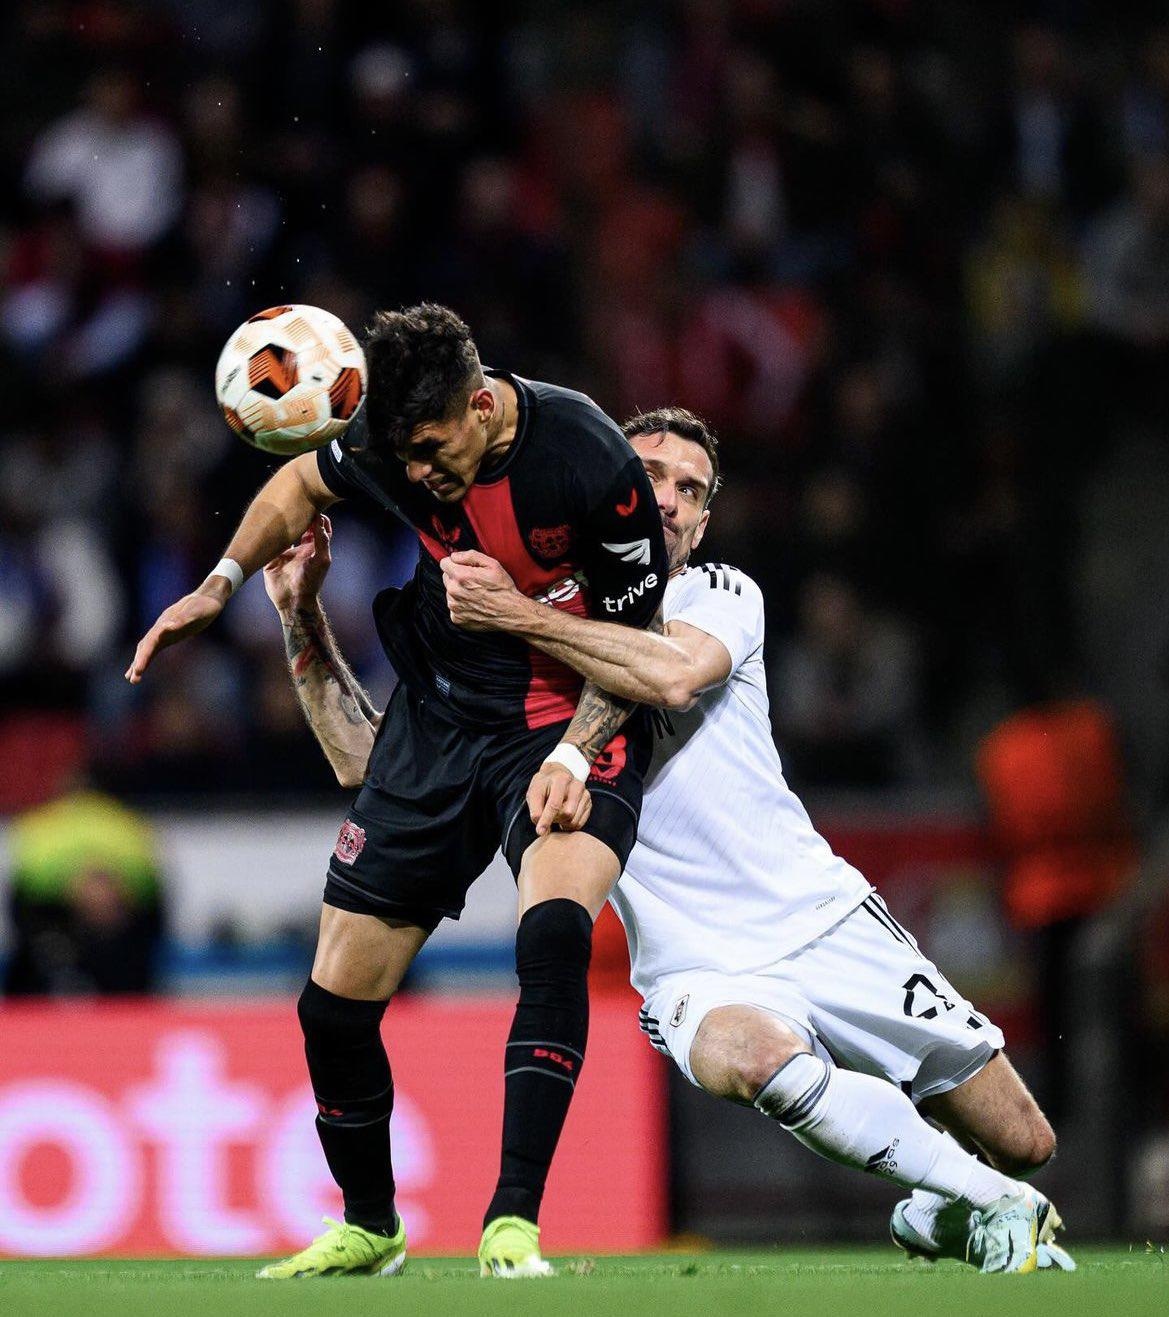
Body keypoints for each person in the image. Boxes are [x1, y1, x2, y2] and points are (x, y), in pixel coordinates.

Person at [437, 406, 1076, 1274]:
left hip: (819, 916)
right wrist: (305, 630)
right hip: (691, 960)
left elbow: (663, 671)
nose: (665, 499)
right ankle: (989, 1197)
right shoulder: (531, 628)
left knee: (1024, 1137)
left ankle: (950, 1197)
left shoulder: (718, 594)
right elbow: (394, 761)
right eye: (650, 475)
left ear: (702, 523)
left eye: (688, 490)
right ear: (603, 487)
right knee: (758, 1061)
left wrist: (514, 614)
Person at [127, 304, 668, 1278]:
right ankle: (370, 1226)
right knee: (331, 1005)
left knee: (550, 936)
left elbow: (638, 653)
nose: (417, 474)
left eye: (429, 449)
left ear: (478, 404)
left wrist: (571, 754)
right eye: (400, 455)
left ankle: (511, 1226)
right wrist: (221, 579)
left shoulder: (587, 462)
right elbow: (298, 479)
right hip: (436, 719)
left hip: (569, 716)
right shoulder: (393, 444)